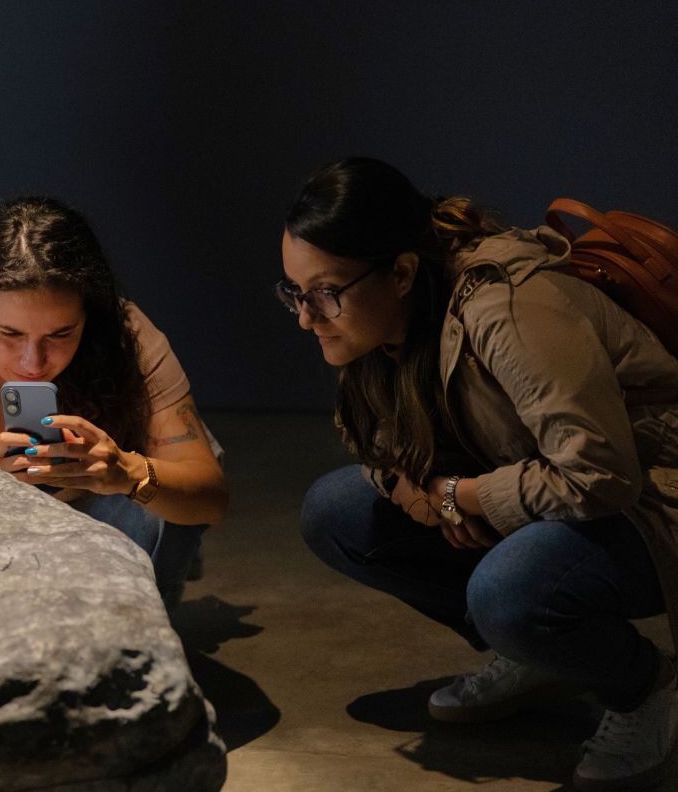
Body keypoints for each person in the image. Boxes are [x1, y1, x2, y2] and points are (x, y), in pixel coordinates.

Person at [285, 158, 678, 791]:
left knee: (508, 590)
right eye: (294, 293)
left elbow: (602, 473)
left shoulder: (510, 306)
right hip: (544, 489)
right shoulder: (377, 329)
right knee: (336, 510)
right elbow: (376, 444)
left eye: (325, 293)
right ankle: (534, 654)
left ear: (403, 272)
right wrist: (417, 492)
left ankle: (646, 685)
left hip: (652, 497)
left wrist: (459, 494)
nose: (306, 316)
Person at [0, 196, 227, 609]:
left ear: (89, 318)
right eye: (10, 334)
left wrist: (126, 471)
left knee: (163, 498)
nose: (32, 363)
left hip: (98, 523)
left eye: (60, 335)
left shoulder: (126, 337)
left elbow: (210, 498)